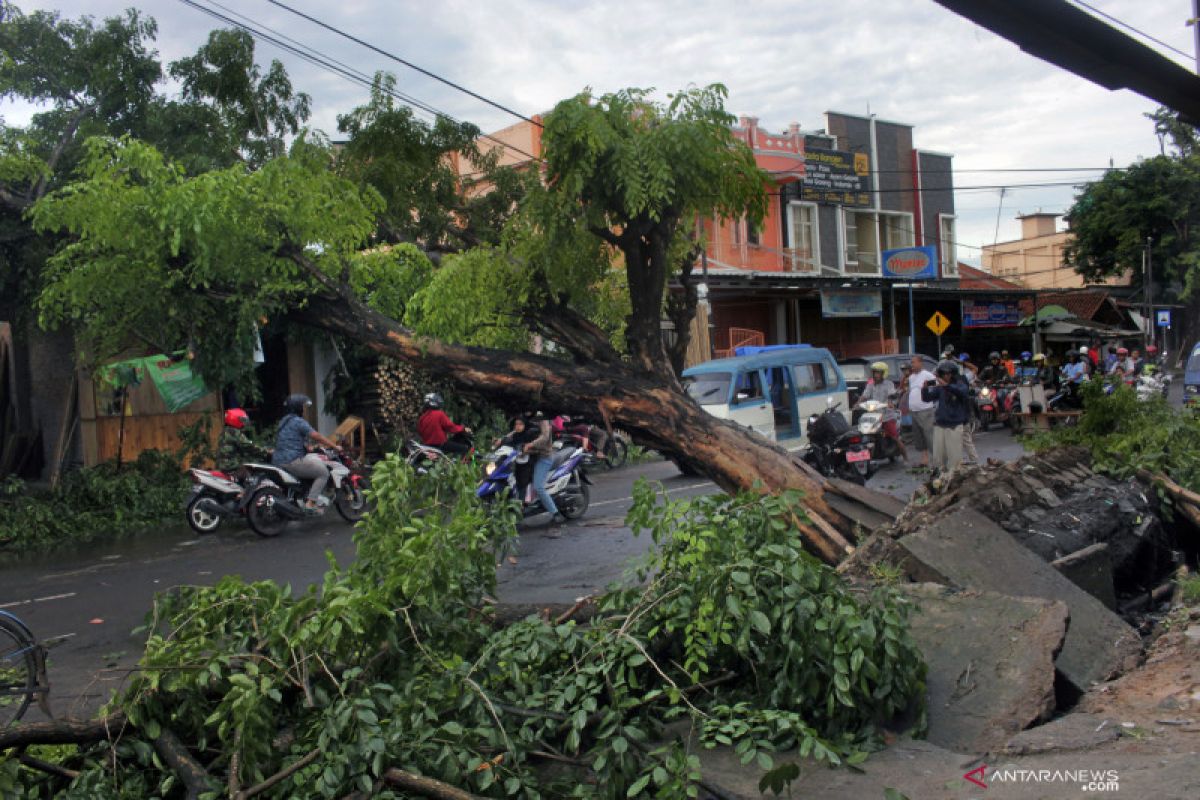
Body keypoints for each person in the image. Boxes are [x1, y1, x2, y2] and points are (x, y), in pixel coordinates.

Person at [271, 394, 342, 512]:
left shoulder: (283, 421)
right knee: (323, 473)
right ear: (298, 407)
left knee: (311, 461)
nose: (304, 409)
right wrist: (334, 446)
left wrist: (307, 447)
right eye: (303, 407)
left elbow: (291, 439)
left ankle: (304, 495)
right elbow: (316, 435)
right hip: (291, 460)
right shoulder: (298, 421)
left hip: (278, 460)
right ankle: (311, 503)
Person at [921, 360, 971, 479]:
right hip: (940, 424)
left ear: (953, 374)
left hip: (954, 425)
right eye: (943, 374)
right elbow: (927, 399)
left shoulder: (960, 384)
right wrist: (924, 389)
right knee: (938, 458)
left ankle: (954, 479)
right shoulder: (939, 388)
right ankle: (939, 480)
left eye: (949, 374)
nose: (946, 376)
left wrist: (946, 386)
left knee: (954, 459)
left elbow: (961, 393)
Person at [854, 361, 907, 463]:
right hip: (874, 415)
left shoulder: (889, 384)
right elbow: (865, 395)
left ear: (883, 373)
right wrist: (857, 403)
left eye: (878, 373)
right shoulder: (870, 385)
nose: (876, 375)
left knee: (895, 437)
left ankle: (905, 458)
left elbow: (892, 394)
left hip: (887, 415)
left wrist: (891, 402)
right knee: (863, 432)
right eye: (874, 372)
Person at [523, 412, 566, 525]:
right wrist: (502, 440)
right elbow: (516, 430)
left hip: (544, 456)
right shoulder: (525, 417)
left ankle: (555, 513)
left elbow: (545, 436)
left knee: (538, 487)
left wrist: (531, 444)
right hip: (530, 456)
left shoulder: (542, 418)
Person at [416, 393, 473, 459]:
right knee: (464, 448)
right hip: (440, 444)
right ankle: (458, 467)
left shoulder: (422, 417)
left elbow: (419, 431)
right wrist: (463, 429)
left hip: (427, 445)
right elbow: (451, 427)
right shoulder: (439, 414)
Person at [494, 415, 536, 503]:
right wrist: (500, 442)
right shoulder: (515, 436)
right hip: (516, 463)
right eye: (516, 424)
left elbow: (535, 449)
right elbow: (508, 443)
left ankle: (522, 504)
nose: (518, 426)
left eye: (520, 424)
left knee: (522, 483)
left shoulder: (530, 435)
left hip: (527, 463)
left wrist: (525, 451)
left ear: (525, 425)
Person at [216, 408, 271, 473]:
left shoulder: (225, 432)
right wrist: (266, 452)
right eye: (242, 420)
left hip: (222, 466)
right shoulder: (234, 433)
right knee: (252, 478)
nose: (243, 423)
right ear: (235, 419)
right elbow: (248, 446)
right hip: (231, 466)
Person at [907, 355, 938, 469]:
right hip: (914, 410)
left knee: (929, 434)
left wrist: (926, 385)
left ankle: (936, 460)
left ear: (920, 363)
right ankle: (924, 459)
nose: (912, 365)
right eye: (911, 363)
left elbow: (936, 384)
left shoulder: (927, 375)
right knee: (919, 435)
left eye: (914, 362)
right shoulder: (911, 377)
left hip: (925, 409)